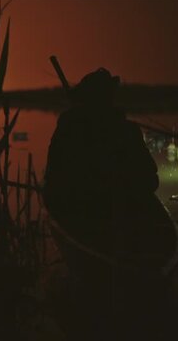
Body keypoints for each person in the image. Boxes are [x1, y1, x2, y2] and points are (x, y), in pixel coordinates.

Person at [42, 68, 158, 255]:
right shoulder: (126, 130)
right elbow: (150, 179)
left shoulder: (69, 128)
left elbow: (52, 177)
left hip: (99, 210)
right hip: (102, 210)